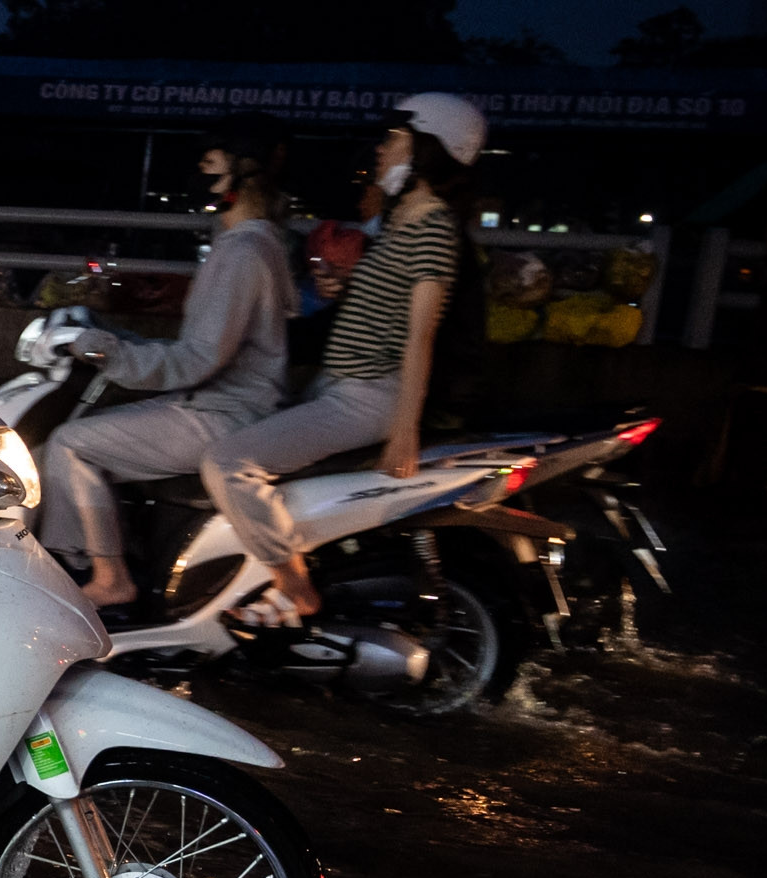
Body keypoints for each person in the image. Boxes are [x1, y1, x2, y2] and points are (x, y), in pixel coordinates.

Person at [203, 93, 486, 629]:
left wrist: (405, 428)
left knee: (228, 463)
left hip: (367, 394)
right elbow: (389, 309)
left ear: (428, 149)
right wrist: (344, 288)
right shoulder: (403, 223)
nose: (381, 150)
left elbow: (420, 336)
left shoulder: (433, 229)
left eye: (394, 139)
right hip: (338, 386)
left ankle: (295, 588)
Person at [38, 117, 298, 610]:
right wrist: (115, 335)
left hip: (223, 414)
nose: (201, 168)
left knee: (71, 444)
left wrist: (104, 350)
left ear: (244, 171)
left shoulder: (244, 251)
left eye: (212, 159)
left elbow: (196, 359)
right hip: (219, 402)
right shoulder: (254, 243)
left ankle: (110, 577)